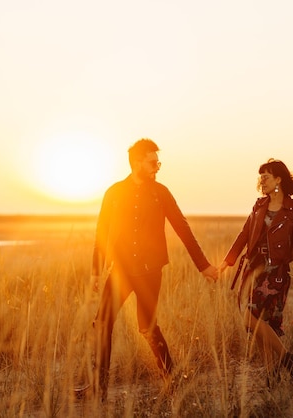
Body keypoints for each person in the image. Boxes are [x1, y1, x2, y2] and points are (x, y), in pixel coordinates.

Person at [90, 138, 218, 401]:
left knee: (147, 327)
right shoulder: (114, 193)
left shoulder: (161, 192)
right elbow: (102, 233)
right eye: (152, 162)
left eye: (158, 162)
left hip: (150, 272)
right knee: (102, 323)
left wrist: (203, 265)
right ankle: (99, 388)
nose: (157, 167)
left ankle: (172, 380)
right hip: (120, 271)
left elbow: (182, 228)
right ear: (137, 163)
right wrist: (96, 270)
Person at [219, 158, 293, 384]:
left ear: (279, 179)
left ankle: (287, 361)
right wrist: (227, 262)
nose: (262, 181)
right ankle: (274, 373)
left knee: (255, 320)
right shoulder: (259, 205)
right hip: (253, 269)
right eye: (260, 177)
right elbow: (244, 234)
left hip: (276, 272)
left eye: (266, 176)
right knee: (256, 323)